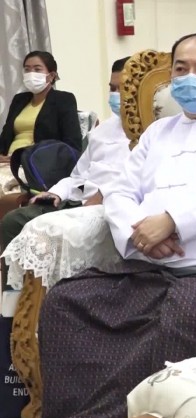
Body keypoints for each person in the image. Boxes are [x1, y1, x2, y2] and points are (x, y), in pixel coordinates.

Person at [37, 33, 196, 418]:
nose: (190, 78)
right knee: (65, 302)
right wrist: (139, 234)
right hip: (141, 263)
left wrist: (173, 223)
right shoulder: (158, 132)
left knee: (176, 325)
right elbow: (120, 190)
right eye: (181, 69)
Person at [0, 57, 132, 289]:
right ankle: (16, 298)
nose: (115, 95)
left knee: (43, 229)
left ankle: (49, 295)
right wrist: (56, 192)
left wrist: (104, 194)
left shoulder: (152, 131)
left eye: (123, 89)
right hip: (78, 200)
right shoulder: (102, 132)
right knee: (13, 221)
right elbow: (78, 175)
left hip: (110, 206)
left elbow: (139, 179)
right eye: (112, 88)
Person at [0, 51, 82, 160]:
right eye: (27, 69)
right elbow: (5, 136)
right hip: (7, 160)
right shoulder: (19, 100)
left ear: (51, 76)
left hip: (38, 162)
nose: (31, 74)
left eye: (37, 69)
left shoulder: (64, 99)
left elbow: (72, 143)